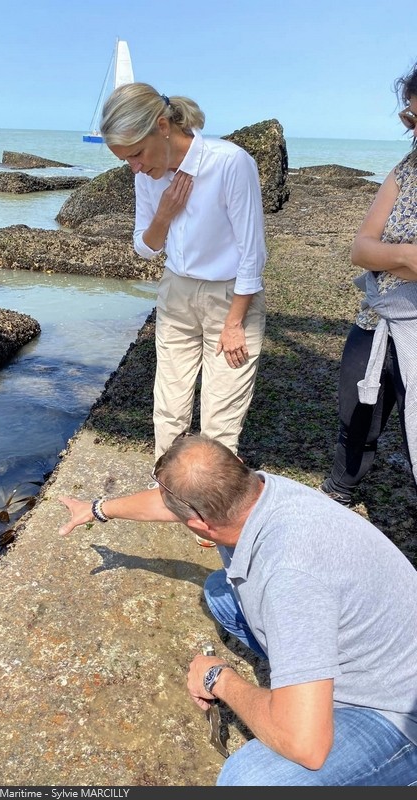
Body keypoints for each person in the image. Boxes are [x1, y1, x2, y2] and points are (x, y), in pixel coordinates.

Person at [58, 433, 417, 786]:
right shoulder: (258, 488)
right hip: (373, 645)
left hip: (395, 710)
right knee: (220, 592)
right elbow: (168, 503)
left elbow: (307, 746)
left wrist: (219, 678)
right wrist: (96, 509)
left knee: (248, 779)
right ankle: (304, 685)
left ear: (199, 524)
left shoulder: (290, 579)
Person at [99, 83, 267, 464]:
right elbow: (145, 247)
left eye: (137, 154)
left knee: (220, 414)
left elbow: (251, 252)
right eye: (126, 160)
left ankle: (211, 505)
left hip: (230, 297)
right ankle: (168, 490)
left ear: (162, 125)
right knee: (169, 404)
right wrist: (164, 214)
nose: (135, 167)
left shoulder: (229, 162)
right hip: (175, 291)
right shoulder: (145, 176)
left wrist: (235, 322)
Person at [321, 60, 417, 506]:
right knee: (356, 416)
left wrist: (391, 257)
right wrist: (405, 256)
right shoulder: (406, 169)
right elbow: (361, 248)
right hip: (377, 316)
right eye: (412, 119)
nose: (413, 129)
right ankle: (341, 490)